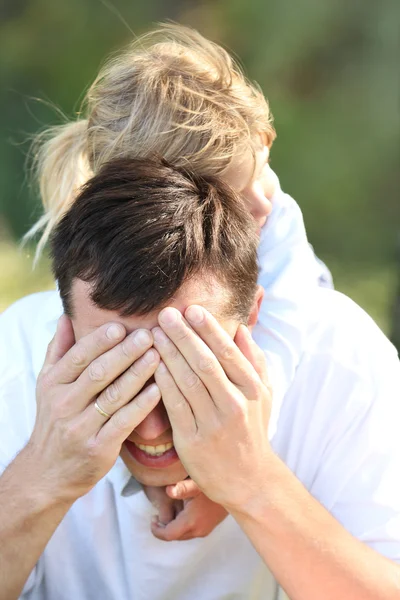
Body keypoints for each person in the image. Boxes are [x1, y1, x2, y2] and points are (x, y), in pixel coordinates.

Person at [1, 159, 399, 600]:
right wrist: (42, 473)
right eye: (118, 370)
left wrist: (254, 482)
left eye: (186, 369)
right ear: (66, 327)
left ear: (252, 318)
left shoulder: (342, 362)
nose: (150, 426)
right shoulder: (16, 356)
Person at [25, 23, 333, 538]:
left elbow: (276, 349)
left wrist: (223, 477)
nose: (265, 204)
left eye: (264, 170)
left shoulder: (274, 224)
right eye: (238, 194)